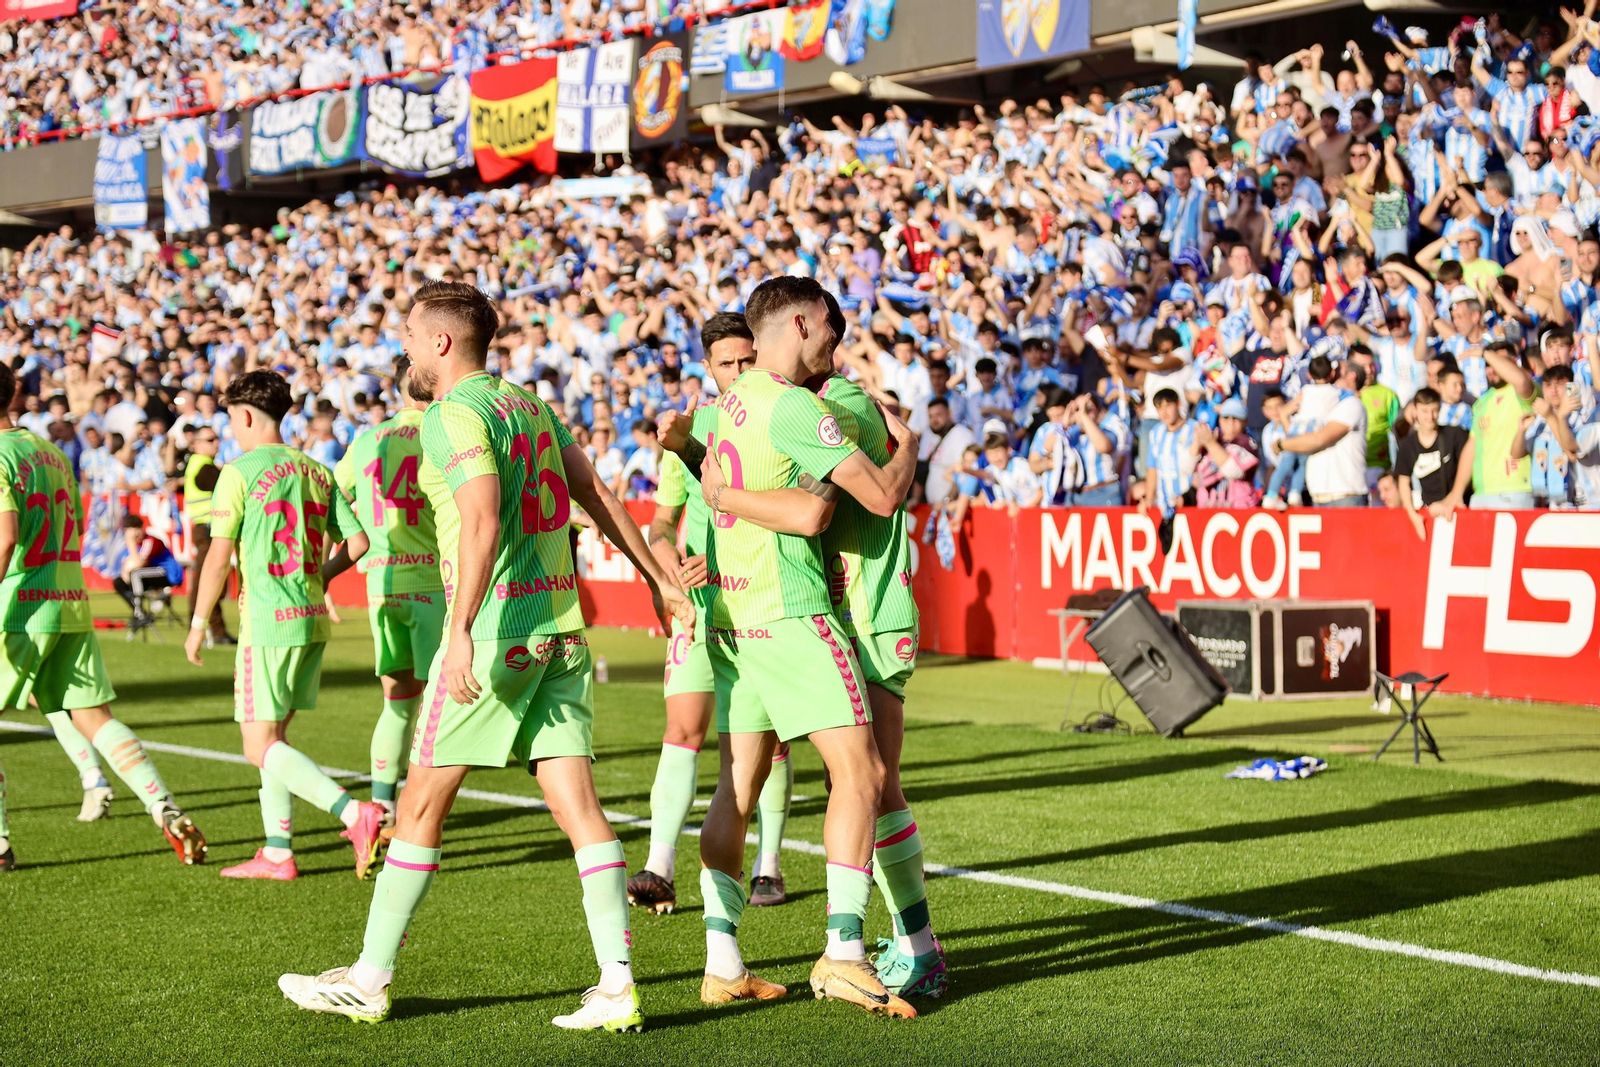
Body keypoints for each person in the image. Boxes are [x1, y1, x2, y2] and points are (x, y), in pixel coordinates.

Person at [277, 282, 694, 1031]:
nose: (401, 344)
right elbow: (595, 490)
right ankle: (616, 983)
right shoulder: (528, 405)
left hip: (497, 632)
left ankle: (369, 978)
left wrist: (461, 625)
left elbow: (479, 517)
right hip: (561, 630)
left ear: (441, 342)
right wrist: (660, 578)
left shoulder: (451, 413)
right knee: (581, 809)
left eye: (408, 331)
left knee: (419, 804)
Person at [666, 276, 920, 1017]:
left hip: (730, 615)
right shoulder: (794, 404)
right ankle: (844, 952)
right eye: (831, 338)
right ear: (804, 322)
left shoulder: (729, 404)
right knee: (863, 771)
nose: (833, 355)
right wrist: (907, 448)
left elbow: (718, 479)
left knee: (737, 788)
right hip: (790, 610)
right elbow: (862, 500)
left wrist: (719, 495)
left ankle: (722, 960)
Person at [0, 362, 206, 872]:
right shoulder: (48, 452)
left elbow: (5, 536)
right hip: (67, 599)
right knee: (96, 719)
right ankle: (165, 808)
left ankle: (0, 844)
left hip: (18, 604)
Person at [184, 370, 382, 882]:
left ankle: (353, 813)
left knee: (258, 745)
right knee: (274, 741)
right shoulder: (316, 469)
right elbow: (358, 543)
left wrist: (199, 622)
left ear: (245, 416)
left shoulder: (238, 471)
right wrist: (321, 575)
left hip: (268, 622)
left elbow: (218, 557)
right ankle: (277, 852)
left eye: (231, 419)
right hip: (311, 618)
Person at [628, 314, 785, 916]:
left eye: (749, 360)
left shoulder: (783, 416)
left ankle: (768, 865)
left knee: (769, 744)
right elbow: (662, 525)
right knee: (683, 728)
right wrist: (671, 571)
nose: (741, 372)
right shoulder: (689, 433)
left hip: (764, 601)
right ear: (709, 369)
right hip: (700, 606)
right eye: (728, 364)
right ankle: (659, 866)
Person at [325, 356, 445, 836]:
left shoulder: (368, 440)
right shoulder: (443, 432)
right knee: (440, 709)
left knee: (398, 703)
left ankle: (381, 808)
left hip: (382, 587)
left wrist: (327, 569)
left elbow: (330, 495)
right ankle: (420, 813)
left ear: (398, 391)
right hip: (434, 585)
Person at [1279, 355, 1369, 506]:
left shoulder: (1352, 405)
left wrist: (1281, 445)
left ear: (1351, 377)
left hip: (1346, 497)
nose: (1330, 374)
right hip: (1319, 496)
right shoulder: (1321, 406)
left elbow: (1318, 440)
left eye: (1336, 370)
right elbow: (1300, 439)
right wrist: (1283, 415)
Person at [1393, 386, 1472, 539]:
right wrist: (1413, 515)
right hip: (1430, 512)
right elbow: (1403, 481)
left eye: (1434, 410)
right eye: (1424, 411)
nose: (1430, 417)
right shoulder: (1408, 445)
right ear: (1414, 410)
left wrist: (1449, 501)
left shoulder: (1455, 435)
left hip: (1459, 508)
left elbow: (1469, 467)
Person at [1468, 341, 1537, 509]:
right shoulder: (1481, 403)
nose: (1493, 368)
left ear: (1514, 362)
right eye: (1488, 365)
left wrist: (1485, 353)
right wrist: (1456, 494)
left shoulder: (1524, 390)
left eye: (1498, 362)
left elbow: (1520, 379)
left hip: (1515, 491)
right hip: (1482, 493)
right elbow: (1471, 448)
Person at [182, 427, 232, 644]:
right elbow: (226, 485)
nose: (216, 443)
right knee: (209, 579)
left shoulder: (200, 465)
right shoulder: (203, 467)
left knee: (209, 578)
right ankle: (208, 629)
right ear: (197, 444)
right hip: (208, 529)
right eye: (210, 439)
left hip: (207, 529)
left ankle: (211, 629)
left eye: (217, 438)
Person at [112, 514, 184, 626]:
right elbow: (125, 568)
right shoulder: (135, 546)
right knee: (118, 582)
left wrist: (130, 543)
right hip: (147, 574)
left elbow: (139, 563)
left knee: (136, 574)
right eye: (134, 530)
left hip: (168, 574)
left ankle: (139, 613)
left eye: (139, 529)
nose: (138, 533)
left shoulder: (150, 541)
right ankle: (141, 613)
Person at [1193, 397, 1262, 508]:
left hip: (1239, 512)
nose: (1230, 421)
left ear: (1245, 422)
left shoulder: (1248, 443)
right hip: (1206, 512)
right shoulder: (1213, 438)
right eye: (1226, 417)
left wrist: (1210, 444)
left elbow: (1234, 471)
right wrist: (1197, 442)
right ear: (1219, 419)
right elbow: (1188, 471)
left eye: (1236, 418)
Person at [1142, 388, 1199, 513]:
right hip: (1164, 506)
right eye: (1159, 408)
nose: (1164, 412)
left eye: (1168, 405)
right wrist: (1149, 498)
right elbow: (1152, 469)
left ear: (1178, 404)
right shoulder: (1156, 432)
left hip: (1191, 503)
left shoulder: (1195, 429)